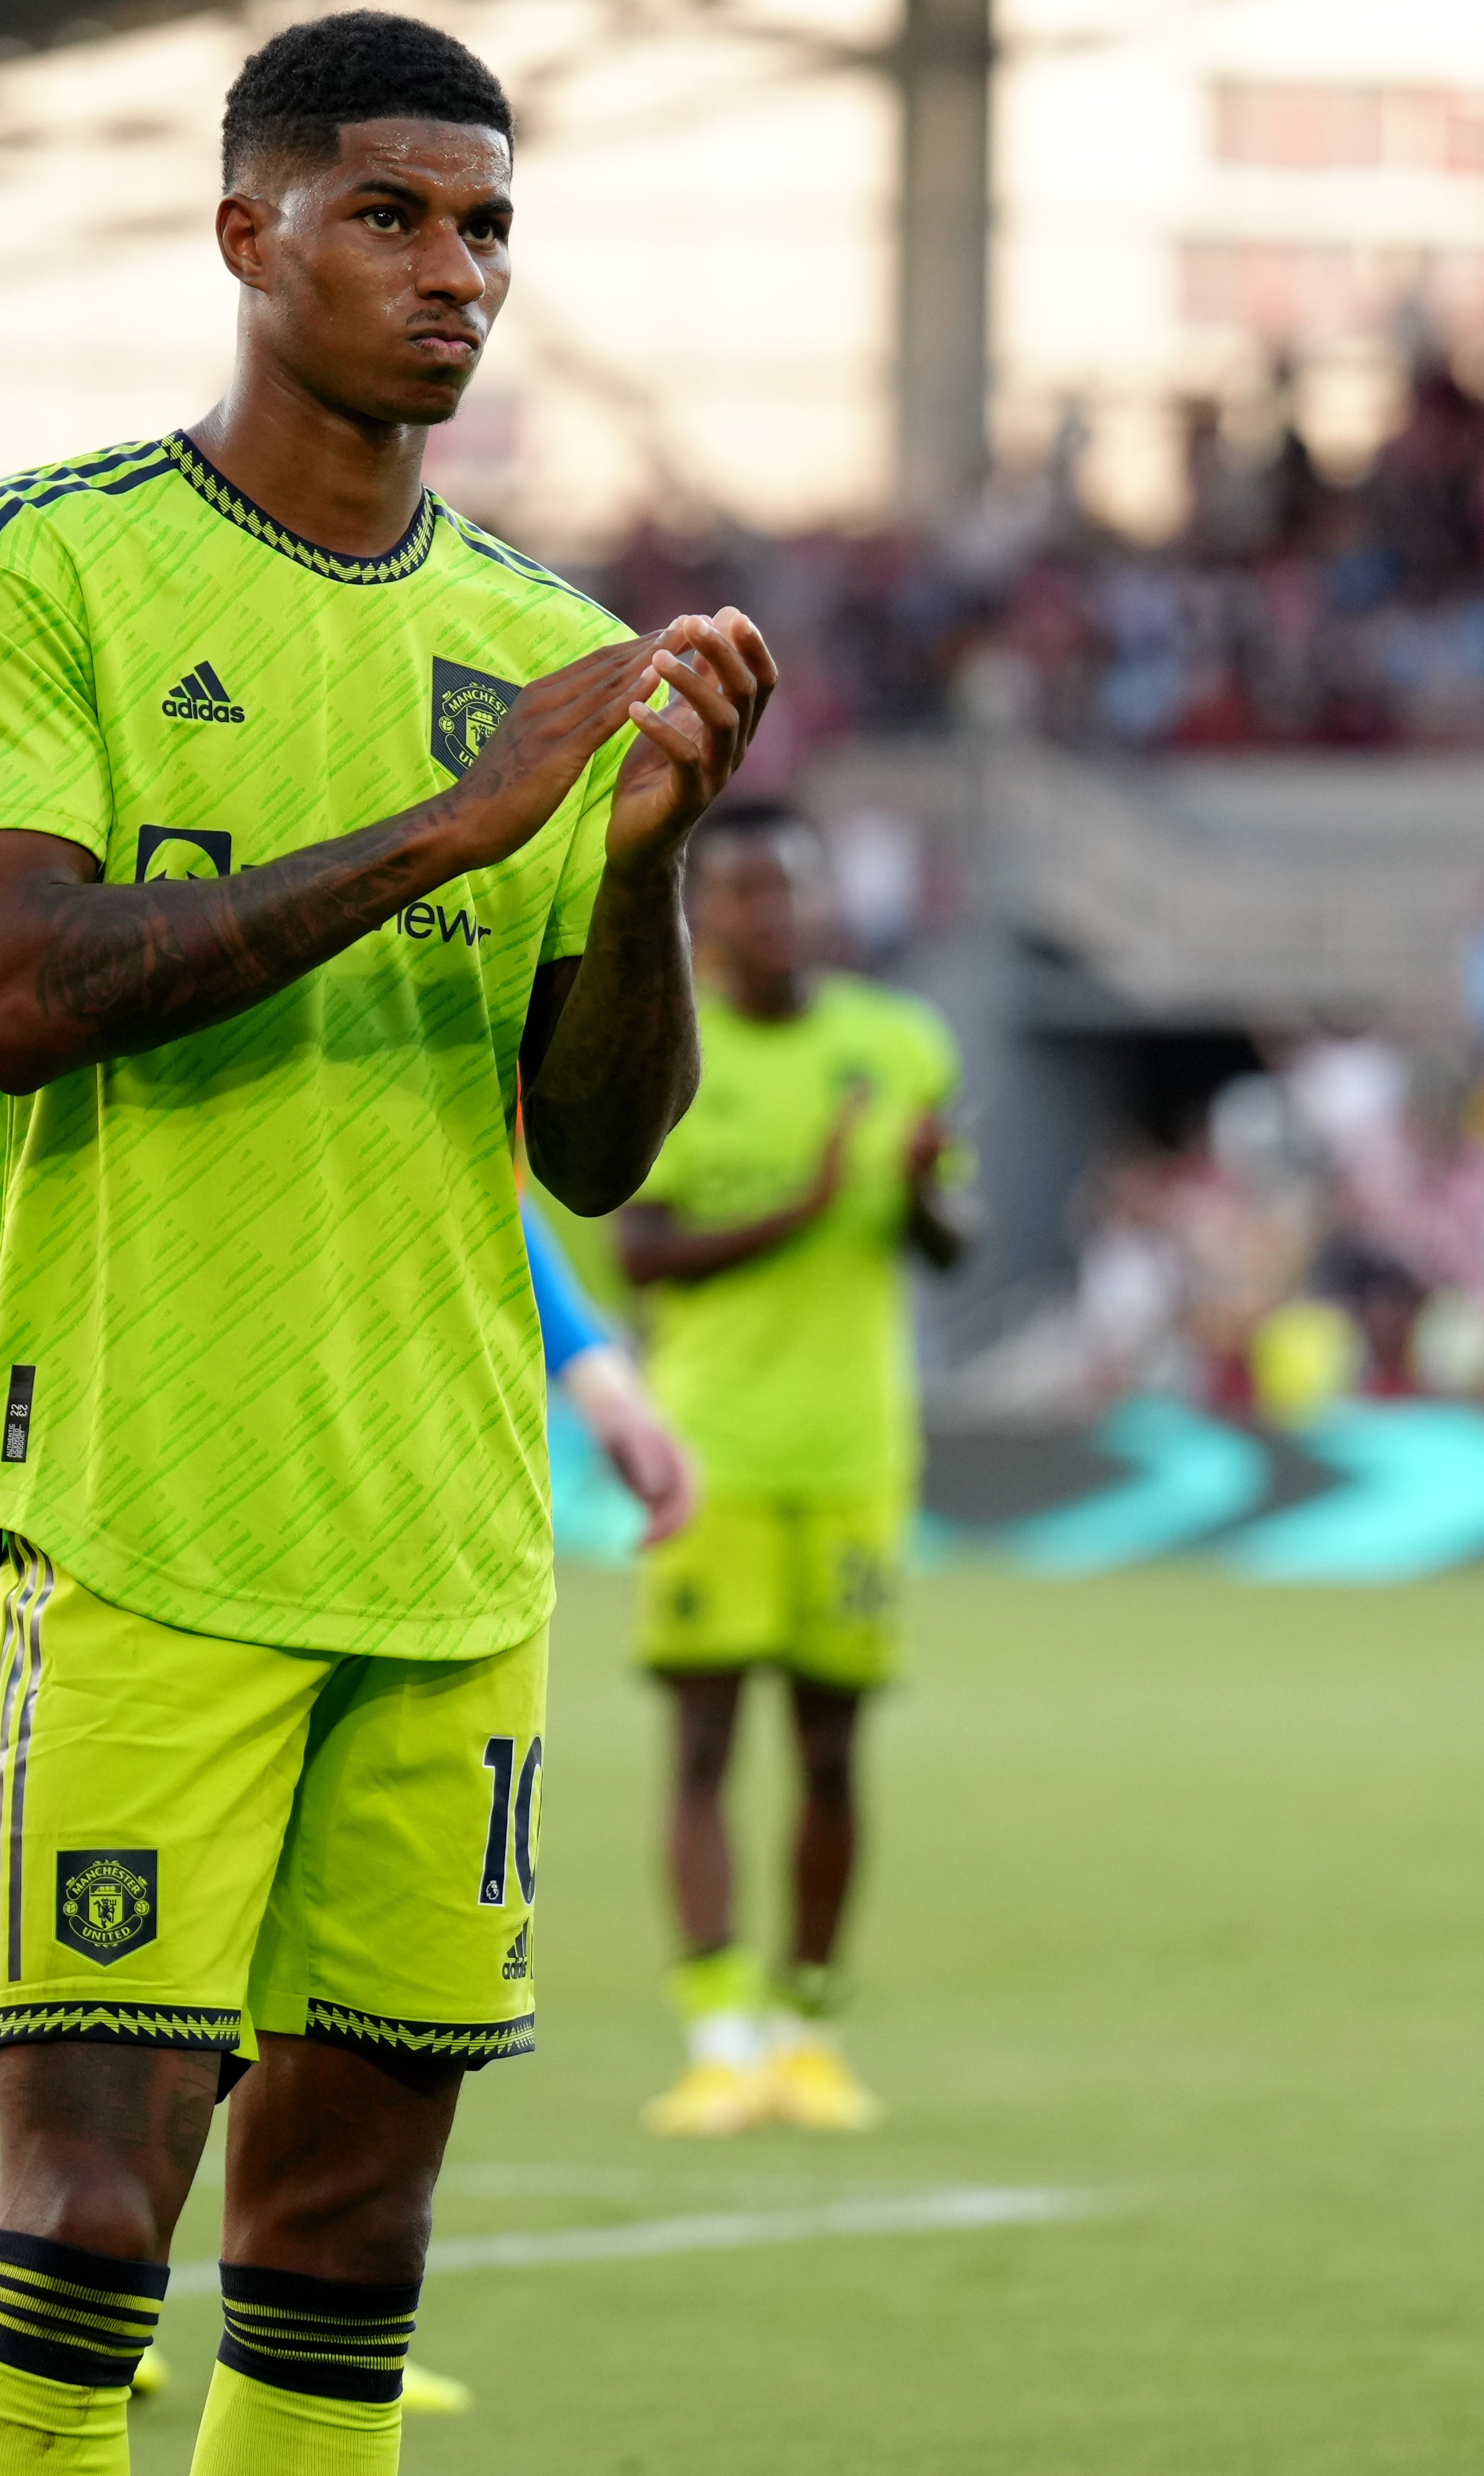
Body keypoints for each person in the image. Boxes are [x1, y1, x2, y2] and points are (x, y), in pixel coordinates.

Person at [0, 9, 756, 2476]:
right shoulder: (39, 554)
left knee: (348, 2247)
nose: (449, 270)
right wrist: (455, 818)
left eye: (483, 224)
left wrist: (633, 855)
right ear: (242, 230)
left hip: (450, 1529)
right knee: (80, 2225)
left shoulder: (536, 634)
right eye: (386, 212)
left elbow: (589, 1147)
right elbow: (20, 996)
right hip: (156, 1507)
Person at [611, 803, 964, 2137]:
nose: (769, 915)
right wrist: (803, 1206)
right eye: (743, 894)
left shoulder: (898, 1044)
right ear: (705, 916)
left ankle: (807, 2029)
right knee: (701, 1742)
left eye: (787, 891)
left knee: (832, 1748)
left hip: (855, 1450)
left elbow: (943, 1246)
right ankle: (716, 2035)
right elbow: (638, 1254)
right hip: (711, 1450)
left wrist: (923, 1186)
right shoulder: (670, 1047)